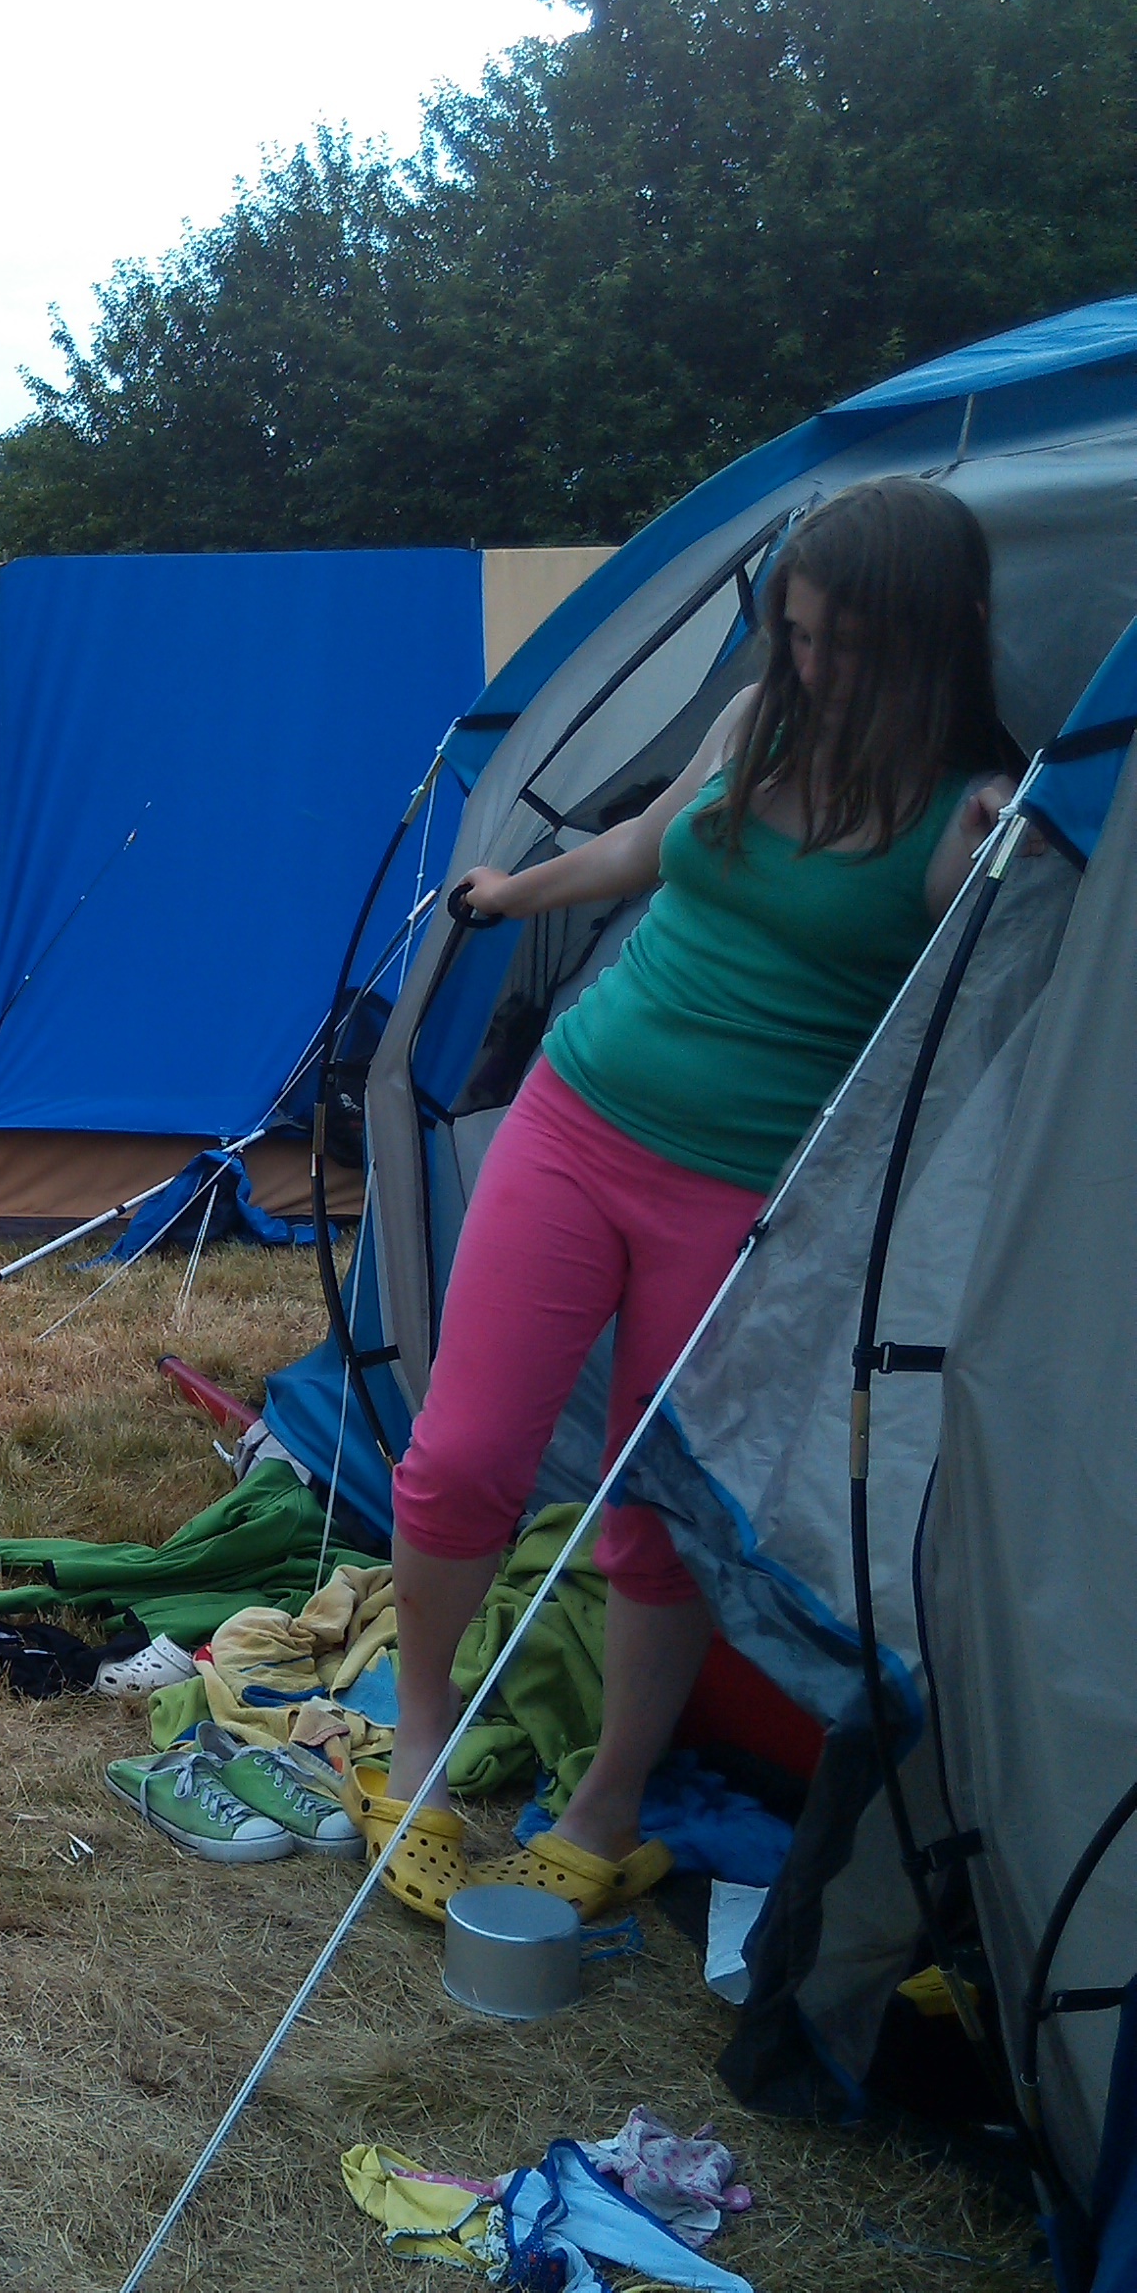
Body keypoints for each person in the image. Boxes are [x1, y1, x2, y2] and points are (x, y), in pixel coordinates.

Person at [355, 476, 1021, 1923]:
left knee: (658, 1513)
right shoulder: (758, 717)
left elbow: (992, 1037)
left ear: (938, 633)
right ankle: (416, 1741)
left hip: (744, 1205)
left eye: (848, 643)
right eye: (797, 633)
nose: (815, 668)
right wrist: (514, 893)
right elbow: (651, 843)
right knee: (464, 1455)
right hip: (576, 1117)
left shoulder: (971, 817)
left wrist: (1009, 861)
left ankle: (609, 1802)